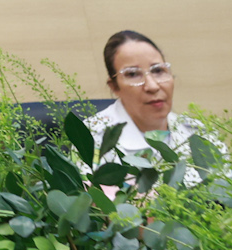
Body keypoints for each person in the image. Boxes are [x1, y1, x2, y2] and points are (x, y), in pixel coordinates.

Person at [83, 30, 210, 186]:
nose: (152, 86)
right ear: (114, 87)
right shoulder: (91, 138)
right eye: (132, 74)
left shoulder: (198, 132)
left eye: (158, 70)